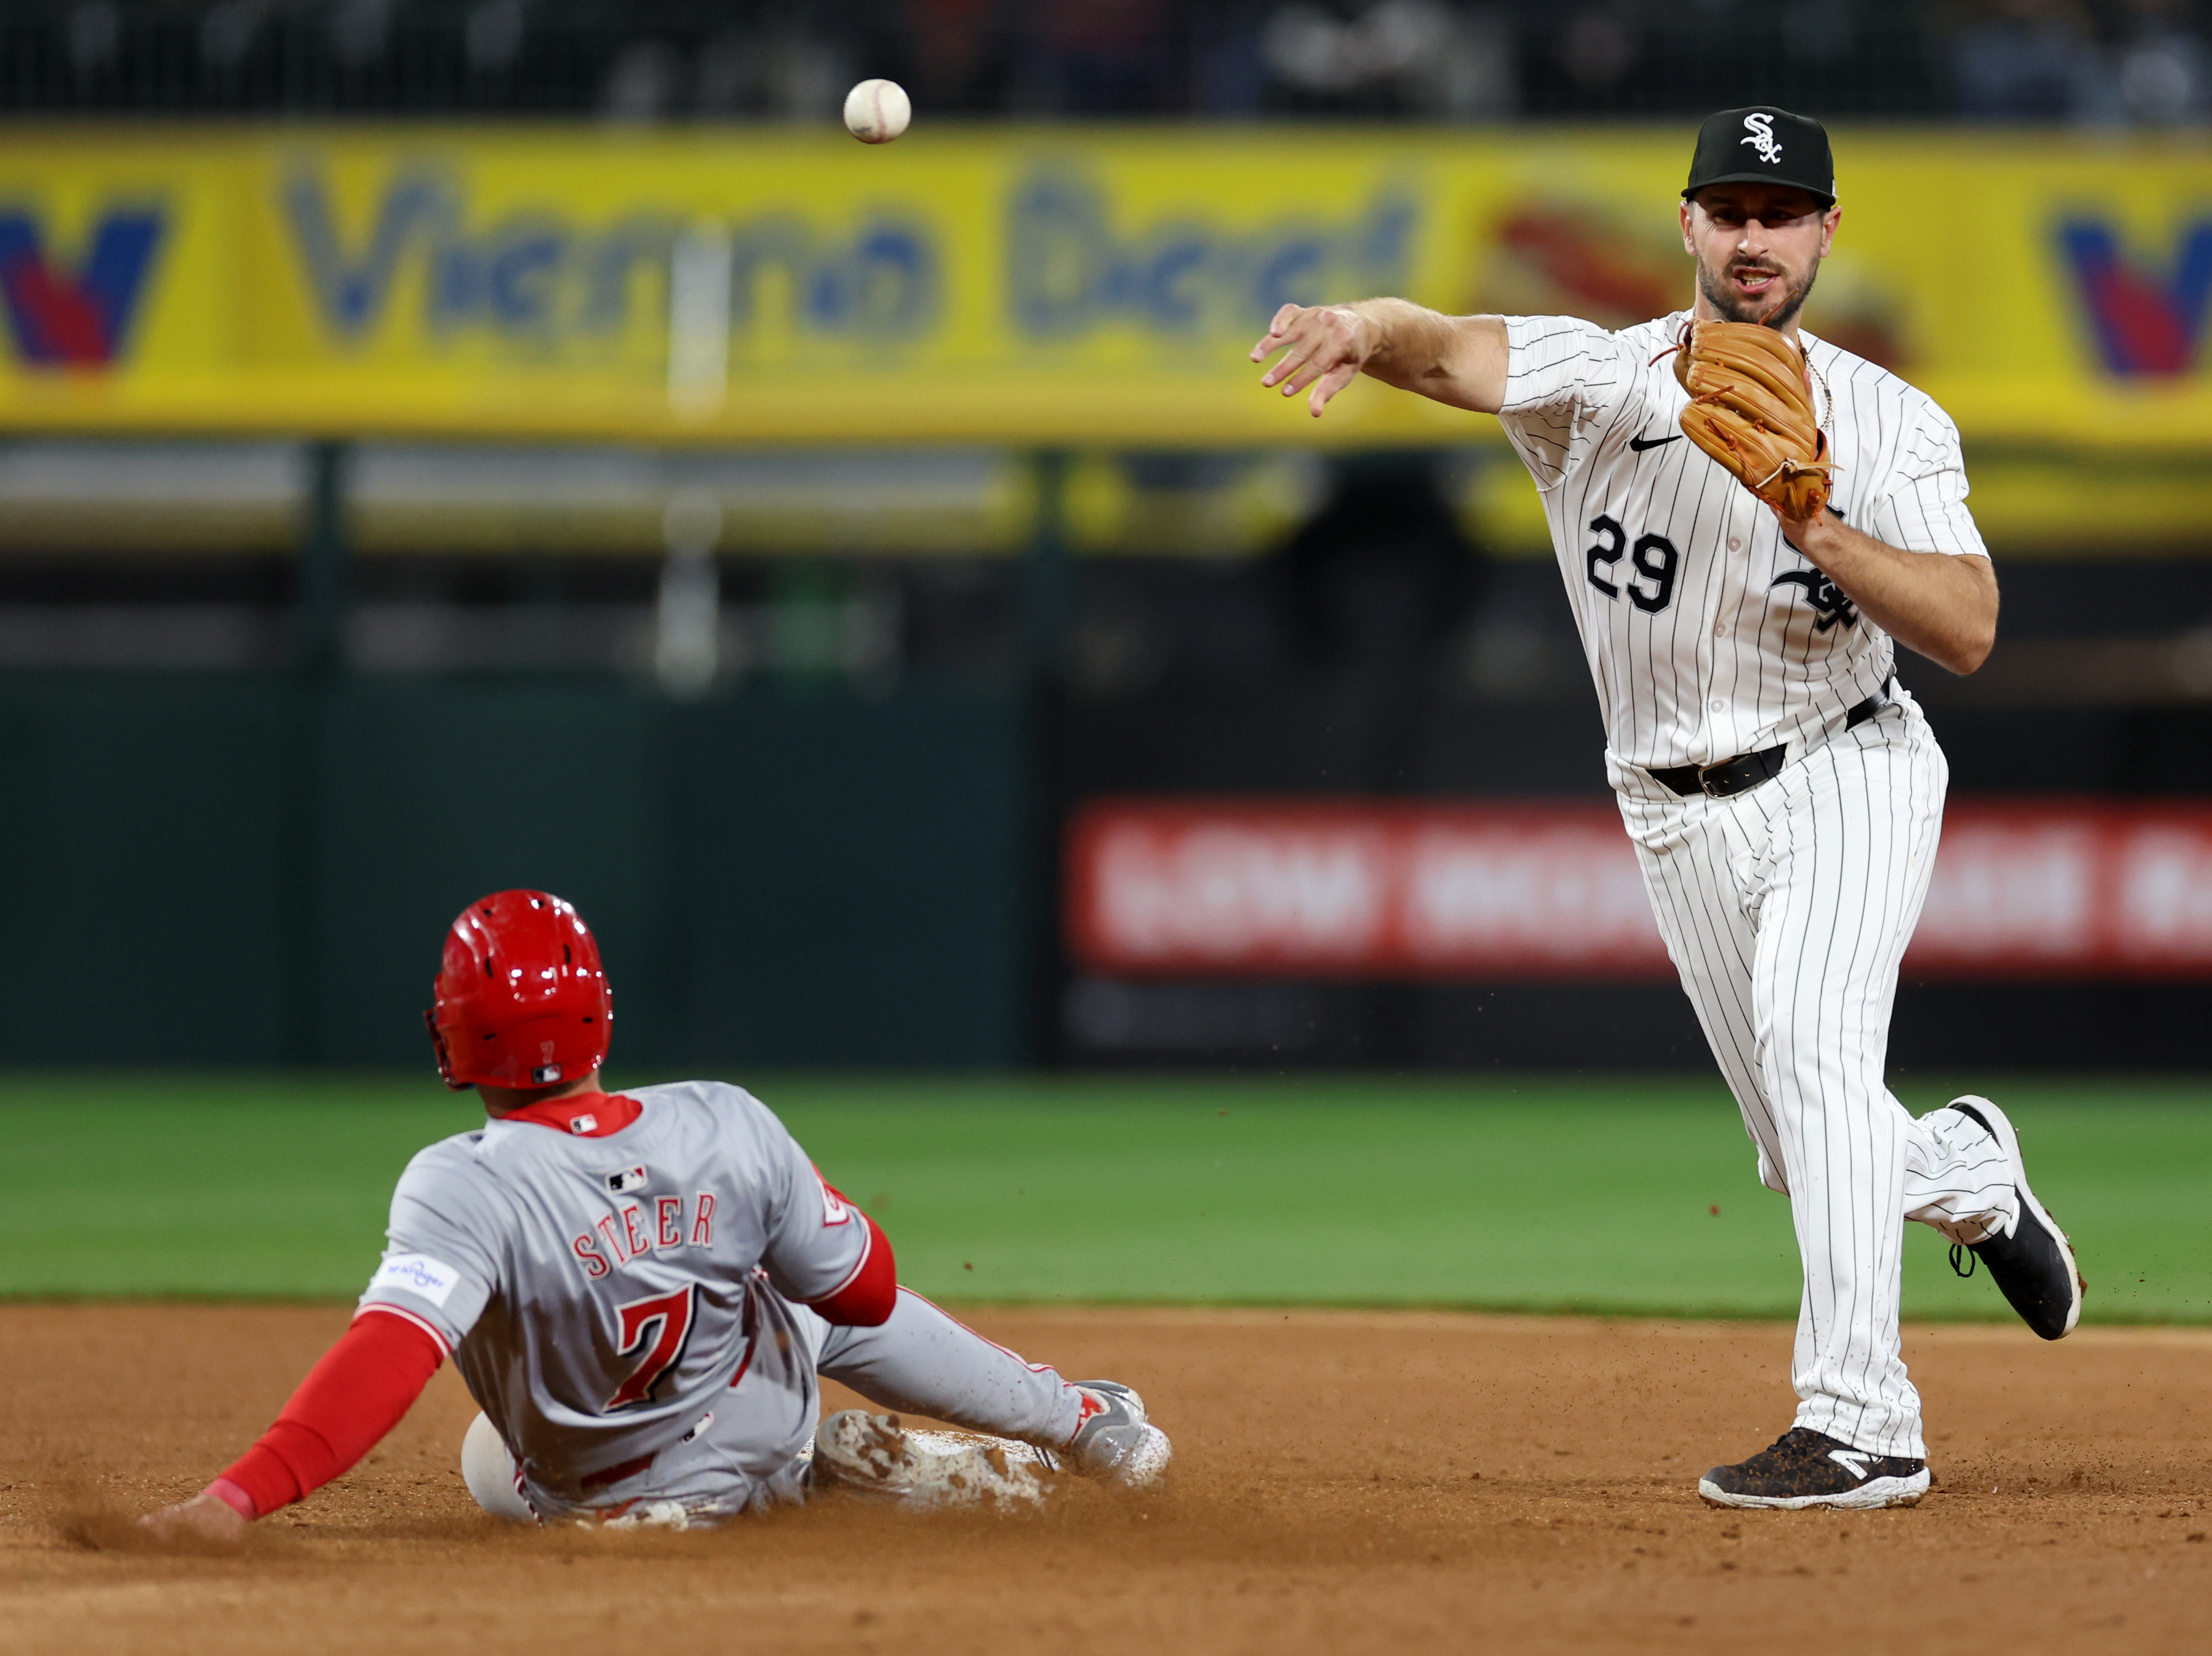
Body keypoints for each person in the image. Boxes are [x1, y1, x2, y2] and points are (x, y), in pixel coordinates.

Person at [1248, 106, 2081, 1512]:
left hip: (1848, 765)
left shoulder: (1891, 421)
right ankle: (1968, 1175)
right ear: (1687, 226)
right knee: (1795, 1150)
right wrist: (1355, 323)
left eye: (1782, 211)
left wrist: (1816, 526)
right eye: (1729, 209)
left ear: (1824, 232)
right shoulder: (1599, 379)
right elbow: (1446, 344)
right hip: (1670, 807)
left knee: (1819, 1067)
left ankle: (1860, 1423)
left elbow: (1969, 629)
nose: (1753, 237)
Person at [141, 890, 1169, 1538]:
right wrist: (807, 1202)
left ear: (454, 1039)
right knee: (804, 1297)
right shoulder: (725, 1122)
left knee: (487, 1456)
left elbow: (385, 1355)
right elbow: (867, 1288)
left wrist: (238, 1497)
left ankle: (740, 1495)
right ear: (597, 1012)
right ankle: (1080, 1426)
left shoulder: (461, 1181)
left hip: (604, 1496)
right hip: (761, 1422)